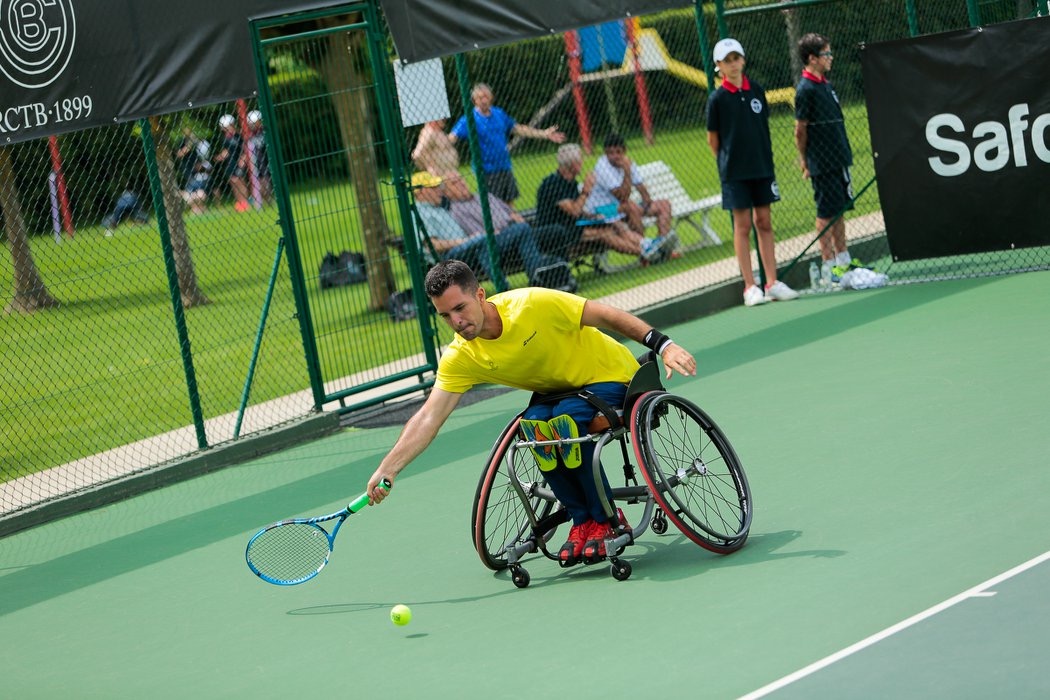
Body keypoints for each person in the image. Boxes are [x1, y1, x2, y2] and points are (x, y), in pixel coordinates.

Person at [365, 259, 697, 566]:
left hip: (611, 377)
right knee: (534, 425)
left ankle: (607, 520)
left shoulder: (531, 304)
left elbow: (606, 315)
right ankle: (582, 521)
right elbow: (428, 417)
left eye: (460, 308)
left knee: (566, 417)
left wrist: (663, 345)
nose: (456, 322)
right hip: (559, 393)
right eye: (445, 316)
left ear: (480, 295)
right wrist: (388, 468)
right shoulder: (462, 356)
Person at [706, 38, 799, 307]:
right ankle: (750, 287)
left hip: (762, 168)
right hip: (735, 174)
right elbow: (714, 141)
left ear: (743, 60)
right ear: (719, 66)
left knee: (765, 222)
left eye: (736, 58)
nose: (733, 64)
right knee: (743, 225)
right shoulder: (717, 99)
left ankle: (772, 282)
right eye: (727, 60)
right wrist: (729, 162)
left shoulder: (757, 90)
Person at [537, 143, 672, 264]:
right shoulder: (552, 184)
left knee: (614, 223)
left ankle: (647, 244)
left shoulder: (571, 182)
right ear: (573, 164)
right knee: (605, 234)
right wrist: (586, 191)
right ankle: (646, 253)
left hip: (576, 224)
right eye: (580, 160)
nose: (583, 163)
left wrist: (593, 216)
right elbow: (574, 211)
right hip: (559, 231)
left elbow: (579, 211)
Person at [794, 33, 855, 279]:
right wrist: (805, 160)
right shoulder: (805, 90)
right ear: (812, 58)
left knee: (839, 209)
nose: (830, 58)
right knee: (826, 212)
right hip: (821, 162)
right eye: (826, 54)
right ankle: (829, 265)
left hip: (839, 157)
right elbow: (800, 130)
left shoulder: (826, 85)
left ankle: (844, 259)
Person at [449, 83, 565, 207]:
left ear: (491, 97)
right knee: (494, 207)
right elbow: (452, 137)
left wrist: (544, 134)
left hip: (505, 166)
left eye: (486, 97)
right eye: (479, 97)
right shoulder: (469, 119)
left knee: (510, 203)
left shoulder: (499, 113)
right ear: (474, 100)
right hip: (486, 171)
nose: (483, 100)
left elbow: (517, 128)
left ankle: (513, 224)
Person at [442, 172, 569, 283]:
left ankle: (561, 274)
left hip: (517, 231)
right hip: (497, 241)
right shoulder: (457, 210)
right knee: (522, 229)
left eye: (461, 179)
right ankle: (536, 273)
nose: (461, 183)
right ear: (447, 192)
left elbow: (510, 211)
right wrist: (512, 227)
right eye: (454, 183)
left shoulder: (483, 195)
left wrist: (516, 218)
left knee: (556, 231)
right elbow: (479, 234)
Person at [585, 133, 678, 257]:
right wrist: (627, 172)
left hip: (622, 208)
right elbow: (622, 197)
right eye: (611, 153)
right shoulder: (603, 167)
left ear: (624, 151)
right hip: (604, 210)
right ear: (605, 153)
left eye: (618, 152)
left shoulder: (627, 162)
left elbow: (641, 187)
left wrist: (646, 203)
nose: (615, 156)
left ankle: (662, 247)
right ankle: (646, 254)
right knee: (632, 207)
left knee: (664, 205)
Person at [213, 114, 250, 212]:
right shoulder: (225, 138)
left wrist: (243, 158)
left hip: (239, 161)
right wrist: (220, 157)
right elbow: (227, 151)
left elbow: (245, 148)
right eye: (223, 128)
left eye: (226, 127)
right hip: (230, 163)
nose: (225, 129)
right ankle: (239, 202)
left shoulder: (239, 135)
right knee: (233, 182)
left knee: (240, 181)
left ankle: (245, 202)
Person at [246, 110, 273, 204]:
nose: (251, 125)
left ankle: (271, 200)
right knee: (262, 184)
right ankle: (269, 201)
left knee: (266, 183)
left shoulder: (265, 133)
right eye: (250, 123)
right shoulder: (251, 136)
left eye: (253, 123)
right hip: (258, 163)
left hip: (267, 161)